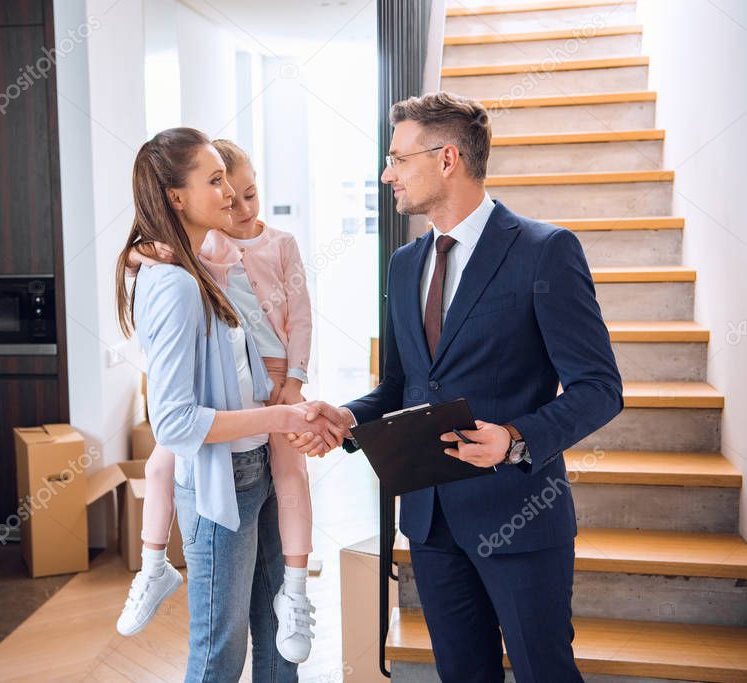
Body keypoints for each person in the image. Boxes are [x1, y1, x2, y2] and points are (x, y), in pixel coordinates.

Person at [297, 91, 623, 682]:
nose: (386, 172)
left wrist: (515, 437)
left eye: (398, 157)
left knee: (544, 671)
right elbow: (403, 383)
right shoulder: (403, 263)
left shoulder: (544, 252)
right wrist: (347, 419)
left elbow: (599, 386)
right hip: (430, 520)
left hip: (520, 512)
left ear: (447, 159)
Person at [114, 127, 343, 681]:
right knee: (219, 652)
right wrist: (284, 416)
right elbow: (173, 421)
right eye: (215, 181)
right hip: (223, 478)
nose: (231, 195)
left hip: (254, 462)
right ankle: (153, 566)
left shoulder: (201, 268)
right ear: (177, 197)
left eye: (235, 182)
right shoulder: (174, 284)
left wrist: (291, 390)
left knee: (274, 640)